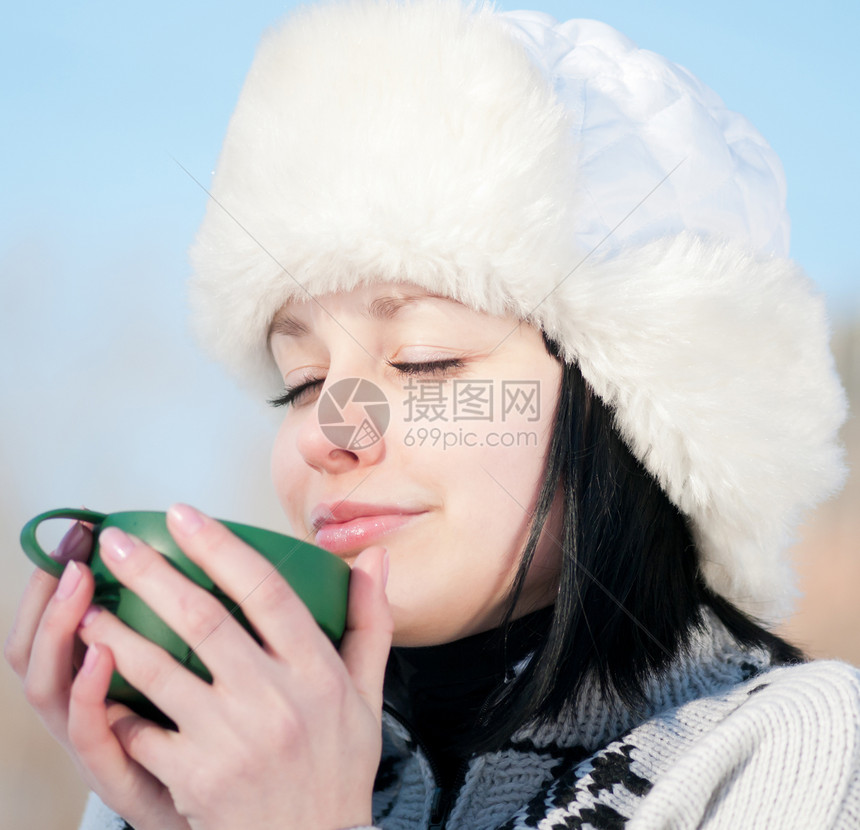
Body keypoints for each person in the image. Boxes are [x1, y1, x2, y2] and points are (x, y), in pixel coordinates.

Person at [6, 1, 859, 828]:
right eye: (300, 381)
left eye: (424, 361)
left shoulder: (789, 751)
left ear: (637, 407)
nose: (324, 429)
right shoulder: (209, 762)